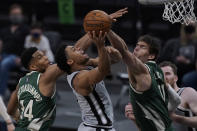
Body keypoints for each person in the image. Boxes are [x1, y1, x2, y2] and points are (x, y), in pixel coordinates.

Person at [107, 31, 176, 130]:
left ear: (151, 56)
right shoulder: (159, 71)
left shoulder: (144, 70)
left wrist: (107, 30)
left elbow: (123, 50)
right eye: (137, 45)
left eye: (143, 47)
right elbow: (176, 99)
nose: (136, 48)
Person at [7, 47, 65, 131]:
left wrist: (20, 118)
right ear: (33, 66)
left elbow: (10, 110)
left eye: (44, 55)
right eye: (40, 57)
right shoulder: (45, 77)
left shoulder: (21, 83)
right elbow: (67, 60)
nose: (46, 57)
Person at [0, 4, 29, 97]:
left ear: (21, 15)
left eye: (17, 14)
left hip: (16, 57)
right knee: (4, 61)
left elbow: (29, 45)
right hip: (4, 55)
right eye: (13, 14)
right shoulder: (5, 29)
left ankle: (1, 94)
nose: (15, 16)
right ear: (10, 15)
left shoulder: (26, 29)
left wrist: (22, 58)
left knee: (4, 64)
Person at [159, 61, 197, 130]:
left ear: (175, 78)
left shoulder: (187, 92)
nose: (164, 77)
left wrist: (177, 118)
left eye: (167, 74)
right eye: (161, 74)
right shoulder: (156, 98)